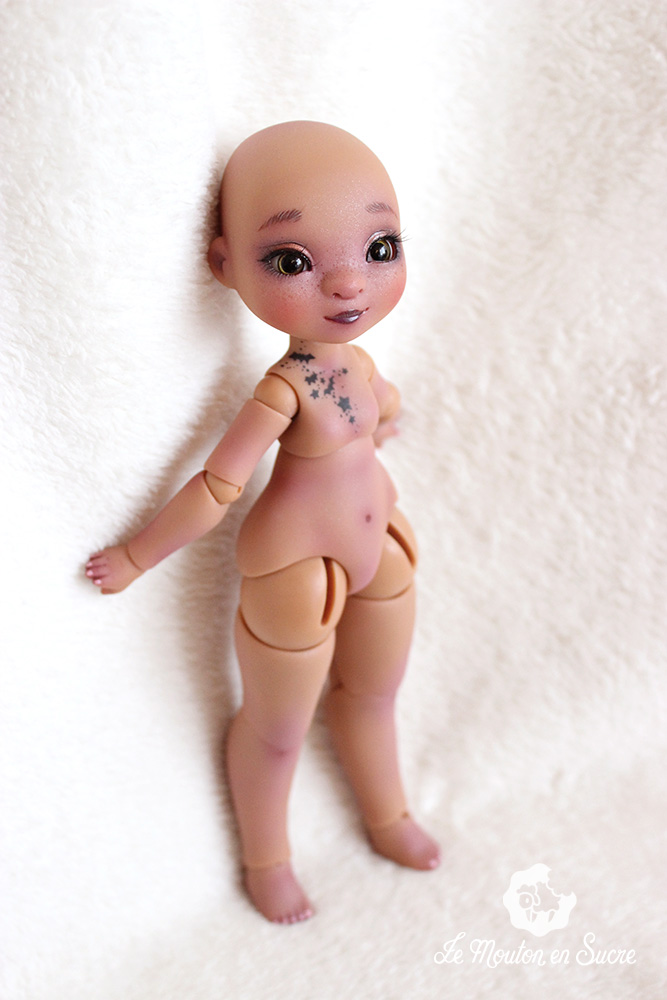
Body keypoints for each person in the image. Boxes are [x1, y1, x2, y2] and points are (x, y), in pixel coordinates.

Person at [86, 121, 440, 924]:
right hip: (297, 571)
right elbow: (218, 485)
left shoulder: (359, 362)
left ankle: (387, 813)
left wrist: (385, 420)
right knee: (277, 727)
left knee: (375, 693)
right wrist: (138, 556)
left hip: (382, 546)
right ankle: (266, 856)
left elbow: (382, 407)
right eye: (292, 261)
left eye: (379, 248)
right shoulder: (281, 391)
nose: (348, 285)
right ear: (225, 265)